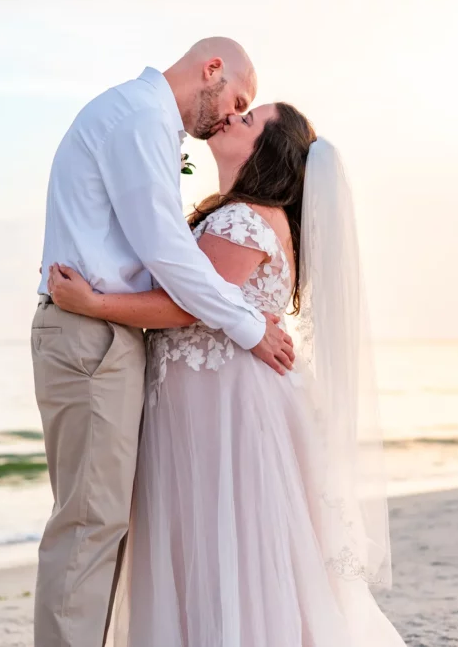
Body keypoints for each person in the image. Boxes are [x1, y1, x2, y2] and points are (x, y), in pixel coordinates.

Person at [48, 103, 408, 645]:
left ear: (266, 150)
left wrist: (91, 302)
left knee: (225, 547)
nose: (230, 119)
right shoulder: (246, 216)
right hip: (219, 398)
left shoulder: (243, 220)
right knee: (228, 547)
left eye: (248, 120)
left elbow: (185, 307)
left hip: (226, 407)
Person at [31, 38, 294, 647]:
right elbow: (167, 252)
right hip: (88, 336)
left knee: (101, 523)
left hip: (104, 334)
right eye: (238, 99)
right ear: (211, 70)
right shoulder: (140, 118)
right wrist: (249, 327)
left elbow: (161, 255)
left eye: (246, 111)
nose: (231, 115)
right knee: (91, 522)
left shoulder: (145, 121)